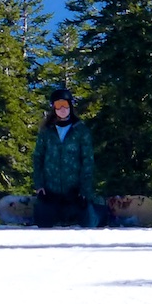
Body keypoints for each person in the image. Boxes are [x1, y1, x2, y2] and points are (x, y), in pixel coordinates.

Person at [30, 87, 98, 228]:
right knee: (43, 223)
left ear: (70, 106)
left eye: (65, 105)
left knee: (89, 222)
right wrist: (40, 186)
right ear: (53, 108)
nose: (62, 109)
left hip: (75, 192)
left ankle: (101, 209)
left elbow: (87, 161)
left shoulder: (80, 131)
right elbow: (38, 158)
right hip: (51, 191)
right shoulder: (47, 132)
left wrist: (84, 191)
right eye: (58, 105)